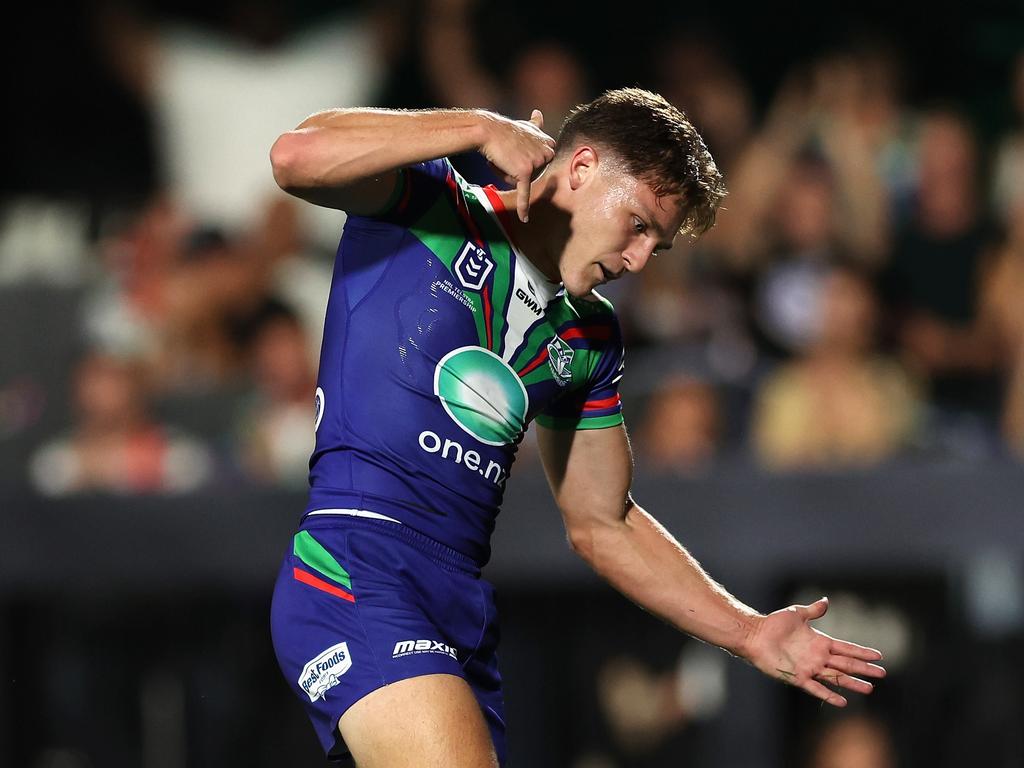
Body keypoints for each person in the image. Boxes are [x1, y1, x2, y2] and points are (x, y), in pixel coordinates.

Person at [267, 88, 886, 767]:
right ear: (583, 167)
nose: (642, 260)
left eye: (661, 244)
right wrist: (477, 127)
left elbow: (603, 522)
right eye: (640, 224)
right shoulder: (432, 202)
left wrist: (746, 631)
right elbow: (296, 156)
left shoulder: (587, 337)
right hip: (357, 568)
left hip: (458, 609)